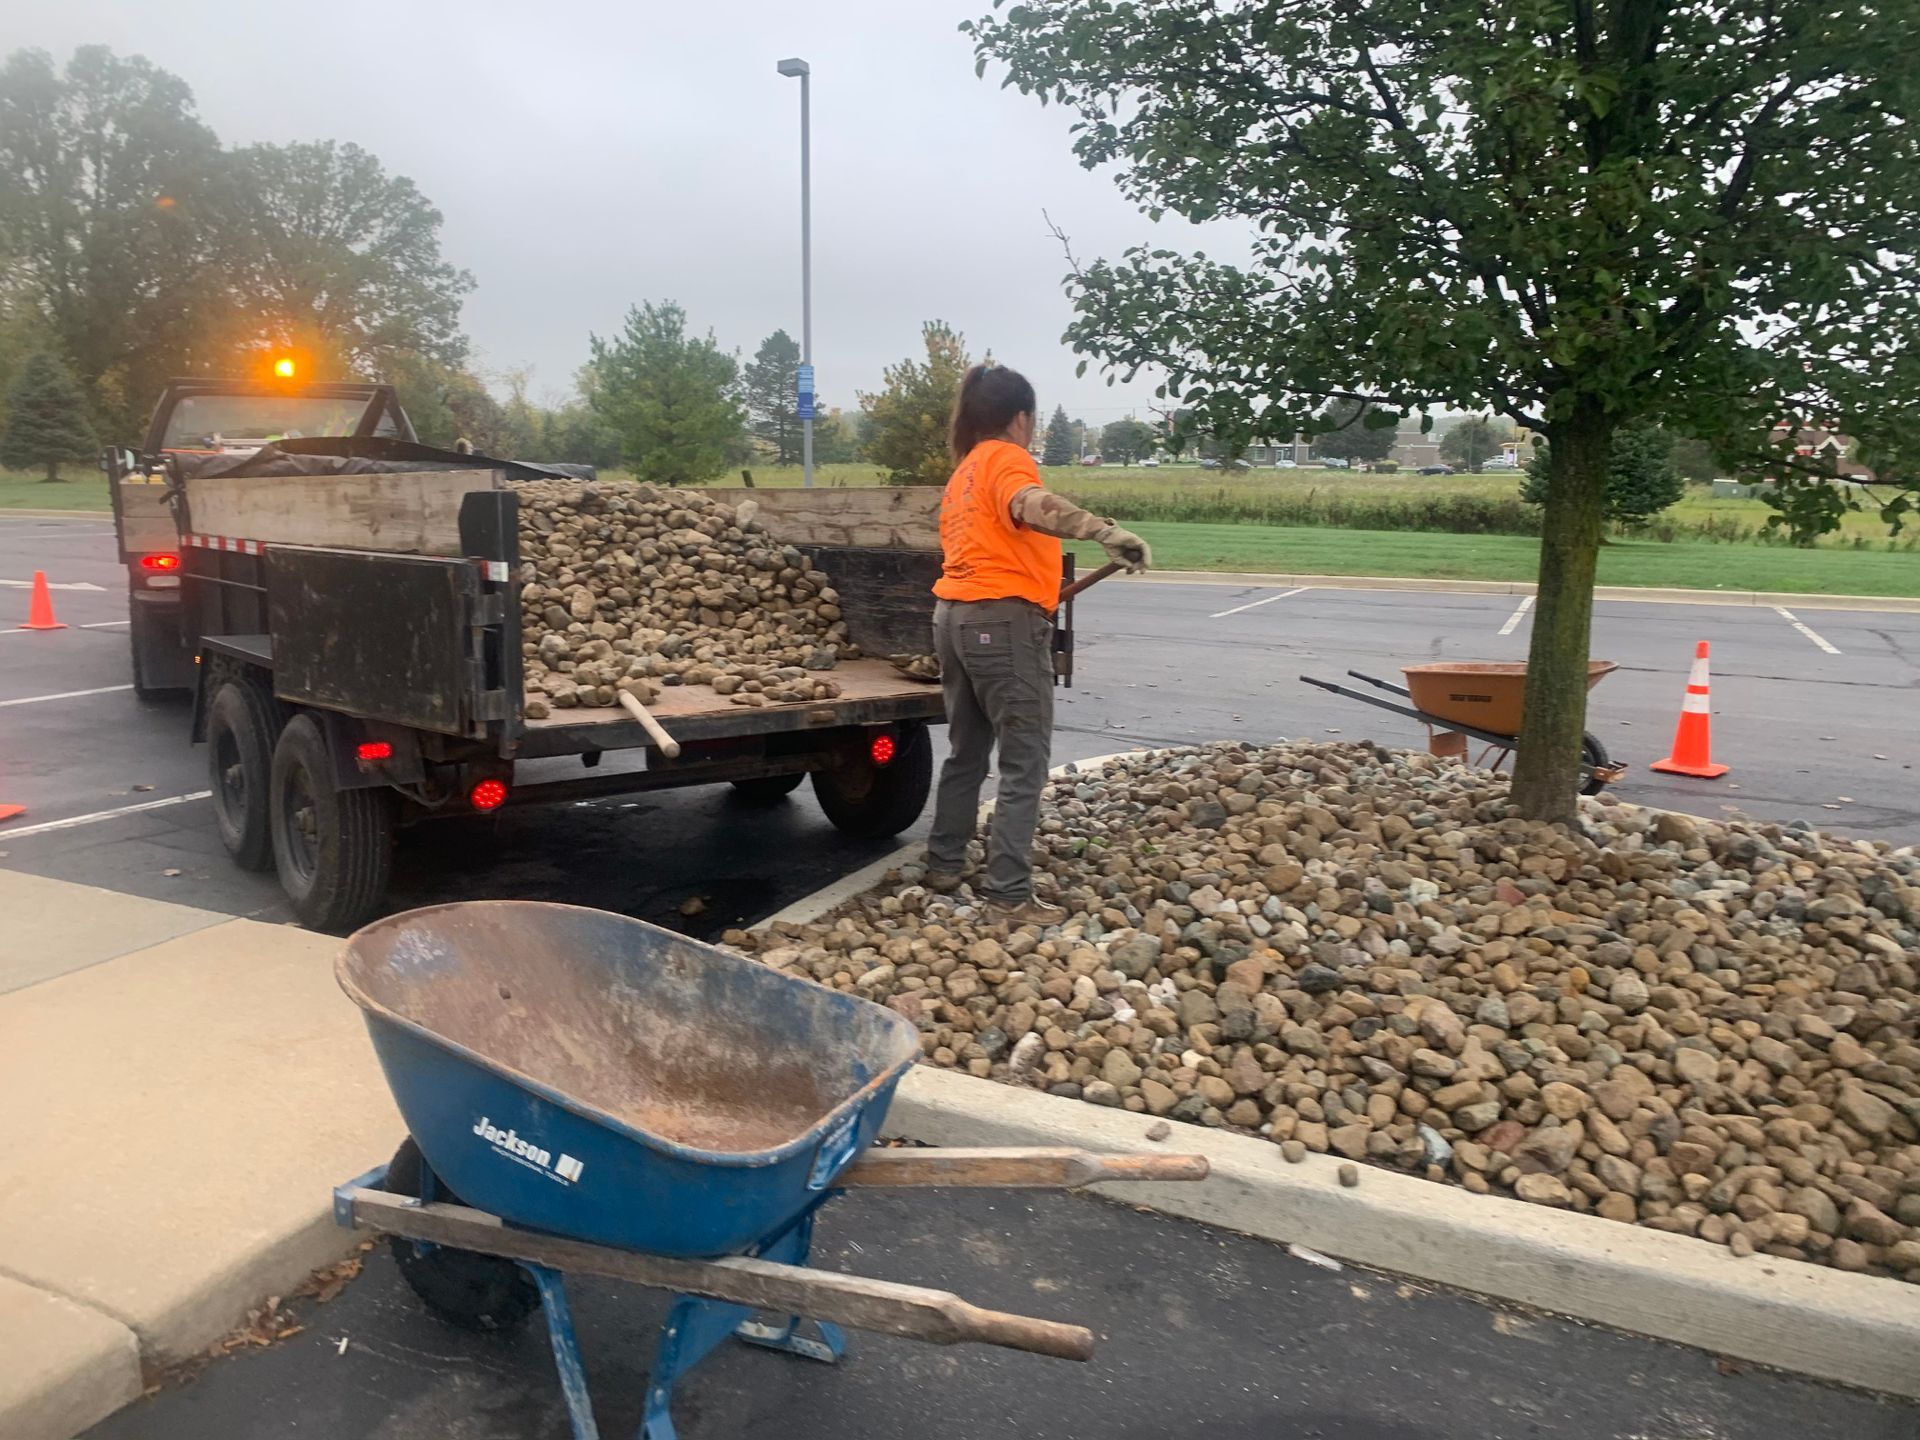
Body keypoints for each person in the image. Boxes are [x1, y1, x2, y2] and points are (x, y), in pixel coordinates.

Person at [923, 363, 1151, 924]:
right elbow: (1029, 504)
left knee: (967, 752)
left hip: (952, 617)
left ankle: (944, 864)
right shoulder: (1005, 459)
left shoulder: (965, 472)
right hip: (1001, 623)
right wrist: (1105, 531)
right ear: (1021, 418)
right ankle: (1007, 895)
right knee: (1025, 761)